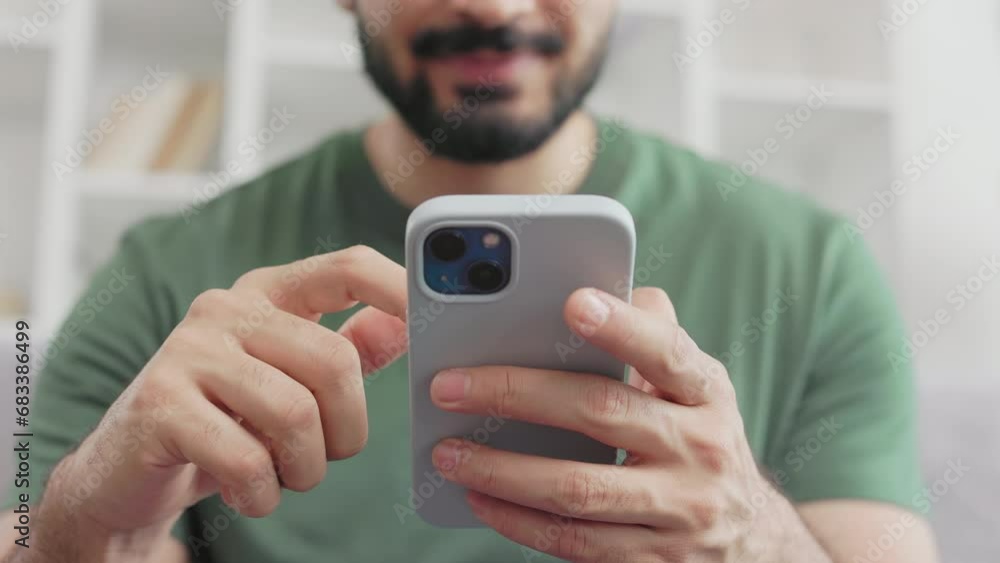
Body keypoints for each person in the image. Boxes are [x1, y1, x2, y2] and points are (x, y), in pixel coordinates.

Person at [1, 1, 940, 561]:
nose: (493, 6)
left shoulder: (811, 267)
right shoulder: (164, 278)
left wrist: (753, 537)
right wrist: (90, 528)